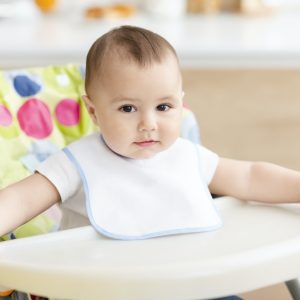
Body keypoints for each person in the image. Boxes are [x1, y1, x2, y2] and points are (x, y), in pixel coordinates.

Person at [0, 25, 299, 298]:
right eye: (128, 108)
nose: (148, 123)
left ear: (181, 103)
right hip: (99, 290)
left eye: (163, 106)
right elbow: (20, 200)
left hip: (186, 285)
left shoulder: (187, 156)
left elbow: (249, 176)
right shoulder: (76, 163)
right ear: (93, 111)